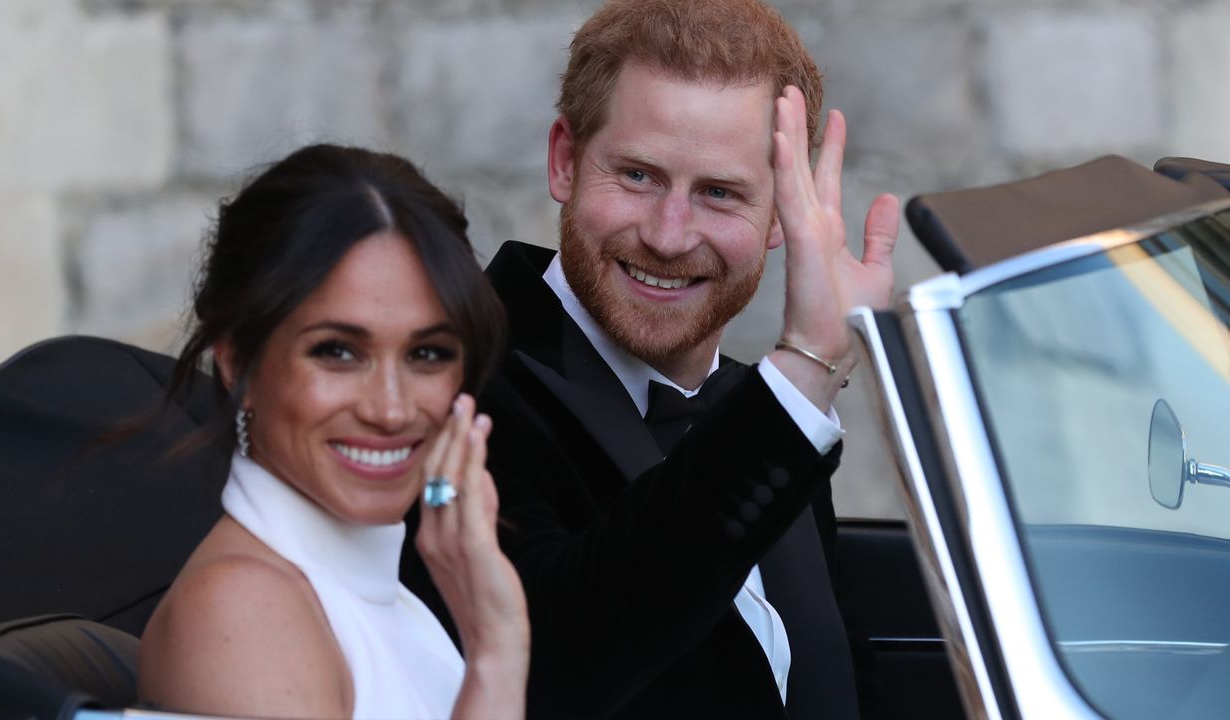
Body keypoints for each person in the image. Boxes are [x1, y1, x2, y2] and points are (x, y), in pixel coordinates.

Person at [398, 1, 900, 718]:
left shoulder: (765, 411)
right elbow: (550, 663)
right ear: (565, 161)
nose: (668, 235)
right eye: (637, 176)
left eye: (720, 193)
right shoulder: (453, 383)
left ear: (782, 217)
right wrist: (808, 369)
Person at [136, 145, 529, 720]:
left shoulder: (389, 599)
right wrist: (497, 658)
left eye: (427, 353)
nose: (391, 410)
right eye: (338, 352)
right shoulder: (242, 609)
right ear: (236, 359)